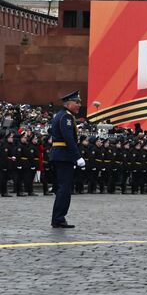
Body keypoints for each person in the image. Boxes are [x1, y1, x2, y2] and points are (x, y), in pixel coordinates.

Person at [47, 90, 83, 228]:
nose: (79, 105)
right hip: (64, 155)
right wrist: (77, 157)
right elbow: (69, 139)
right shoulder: (66, 117)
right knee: (64, 188)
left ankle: (58, 218)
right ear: (68, 104)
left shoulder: (62, 115)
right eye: (77, 102)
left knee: (62, 188)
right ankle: (58, 218)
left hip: (60, 155)